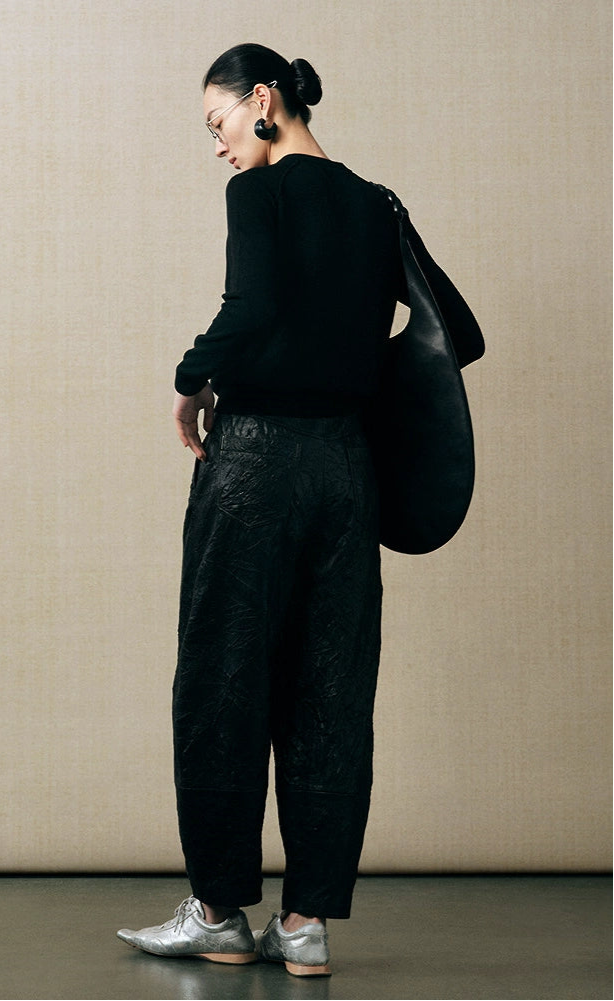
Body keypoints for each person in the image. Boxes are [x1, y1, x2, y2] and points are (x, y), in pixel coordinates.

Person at [117, 42, 406, 977]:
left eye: (219, 122)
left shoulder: (260, 191)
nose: (218, 145)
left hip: (255, 461)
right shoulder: (375, 203)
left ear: (265, 100)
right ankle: (306, 922)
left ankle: (217, 910)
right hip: (347, 468)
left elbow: (251, 305)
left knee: (223, 677)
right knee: (332, 686)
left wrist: (188, 380)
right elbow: (414, 334)